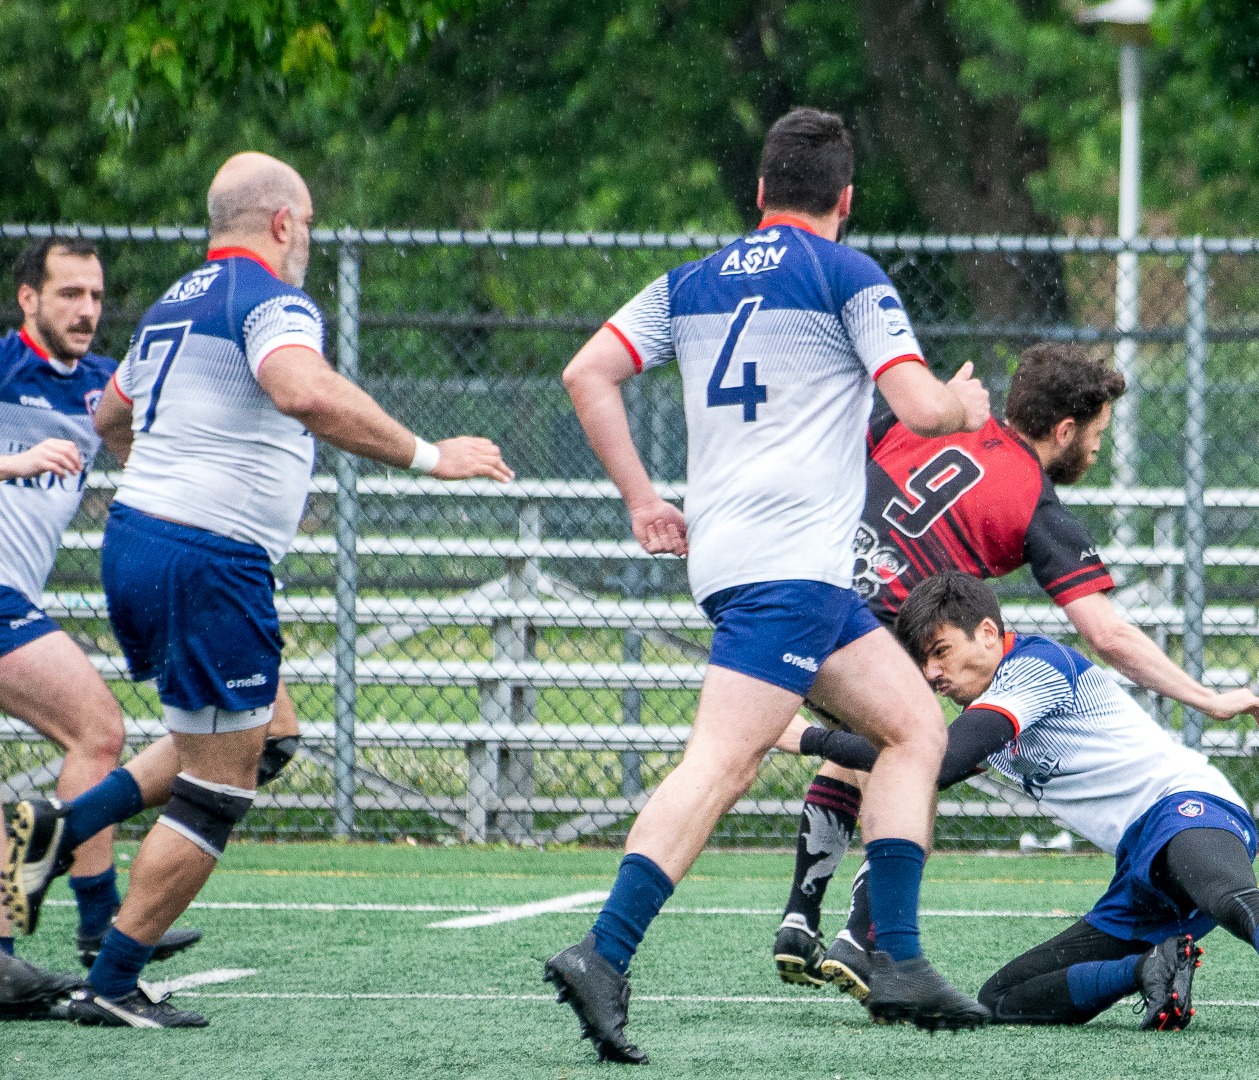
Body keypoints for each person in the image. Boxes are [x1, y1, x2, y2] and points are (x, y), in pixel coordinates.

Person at [6, 151, 512, 1029]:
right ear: (281, 223)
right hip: (208, 557)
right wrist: (434, 457)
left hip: (139, 541)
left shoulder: (174, 301)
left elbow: (109, 418)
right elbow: (301, 390)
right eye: (307, 226)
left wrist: (169, 480)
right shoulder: (272, 299)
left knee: (265, 731)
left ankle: (55, 830)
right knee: (221, 788)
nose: (307, 242)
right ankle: (116, 978)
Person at [547, 108, 992, 1064]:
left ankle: (899, 960)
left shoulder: (691, 283)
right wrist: (968, 405)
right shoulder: (848, 273)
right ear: (845, 201)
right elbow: (920, 406)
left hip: (766, 563)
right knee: (721, 763)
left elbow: (588, 373)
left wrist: (640, 500)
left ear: (758, 195)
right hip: (785, 567)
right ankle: (602, 952)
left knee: (915, 730)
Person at [770, 343, 1259, 999]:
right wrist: (1207, 698)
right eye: (1096, 435)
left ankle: (798, 918)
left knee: (855, 756)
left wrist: (938, 406)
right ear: (1064, 430)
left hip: (808, 595)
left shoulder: (938, 418)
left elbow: (847, 447)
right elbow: (1108, 633)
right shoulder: (1036, 502)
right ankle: (864, 938)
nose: (1096, 451)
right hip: (890, 626)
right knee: (920, 759)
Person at [780, 571, 1259, 1038]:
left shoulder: (1033, 668)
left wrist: (809, 737)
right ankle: (1152, 966)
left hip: (1185, 803)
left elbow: (939, 762)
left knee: (1228, 894)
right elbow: (916, 759)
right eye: (924, 660)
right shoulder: (994, 705)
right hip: (1139, 863)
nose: (931, 673)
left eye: (941, 652)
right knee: (1003, 998)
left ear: (986, 631)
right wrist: (815, 737)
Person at [0, 238, 203, 1007]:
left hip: (13, 592)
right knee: (96, 728)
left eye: (95, 295)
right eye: (68, 295)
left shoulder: (99, 386)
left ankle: (77, 929)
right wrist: (12, 462)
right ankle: (92, 923)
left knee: (95, 736)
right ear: (28, 300)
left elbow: (144, 443)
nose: (87, 310)